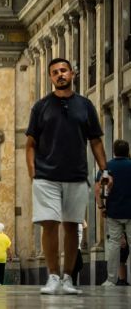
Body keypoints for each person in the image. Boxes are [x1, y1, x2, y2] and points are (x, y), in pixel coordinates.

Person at [26, 58, 109, 295]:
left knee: (72, 226)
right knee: (49, 225)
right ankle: (52, 277)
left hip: (76, 176)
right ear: (50, 77)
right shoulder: (41, 107)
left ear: (72, 73)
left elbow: (95, 141)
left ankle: (68, 278)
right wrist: (33, 173)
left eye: (63, 70)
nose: (59, 75)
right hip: (46, 176)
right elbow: (30, 143)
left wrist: (104, 170)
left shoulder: (85, 105)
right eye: (54, 72)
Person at [99, 140, 131, 286]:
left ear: (114, 151)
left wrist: (102, 207)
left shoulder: (107, 167)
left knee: (113, 244)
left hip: (113, 211)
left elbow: (98, 187)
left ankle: (111, 280)